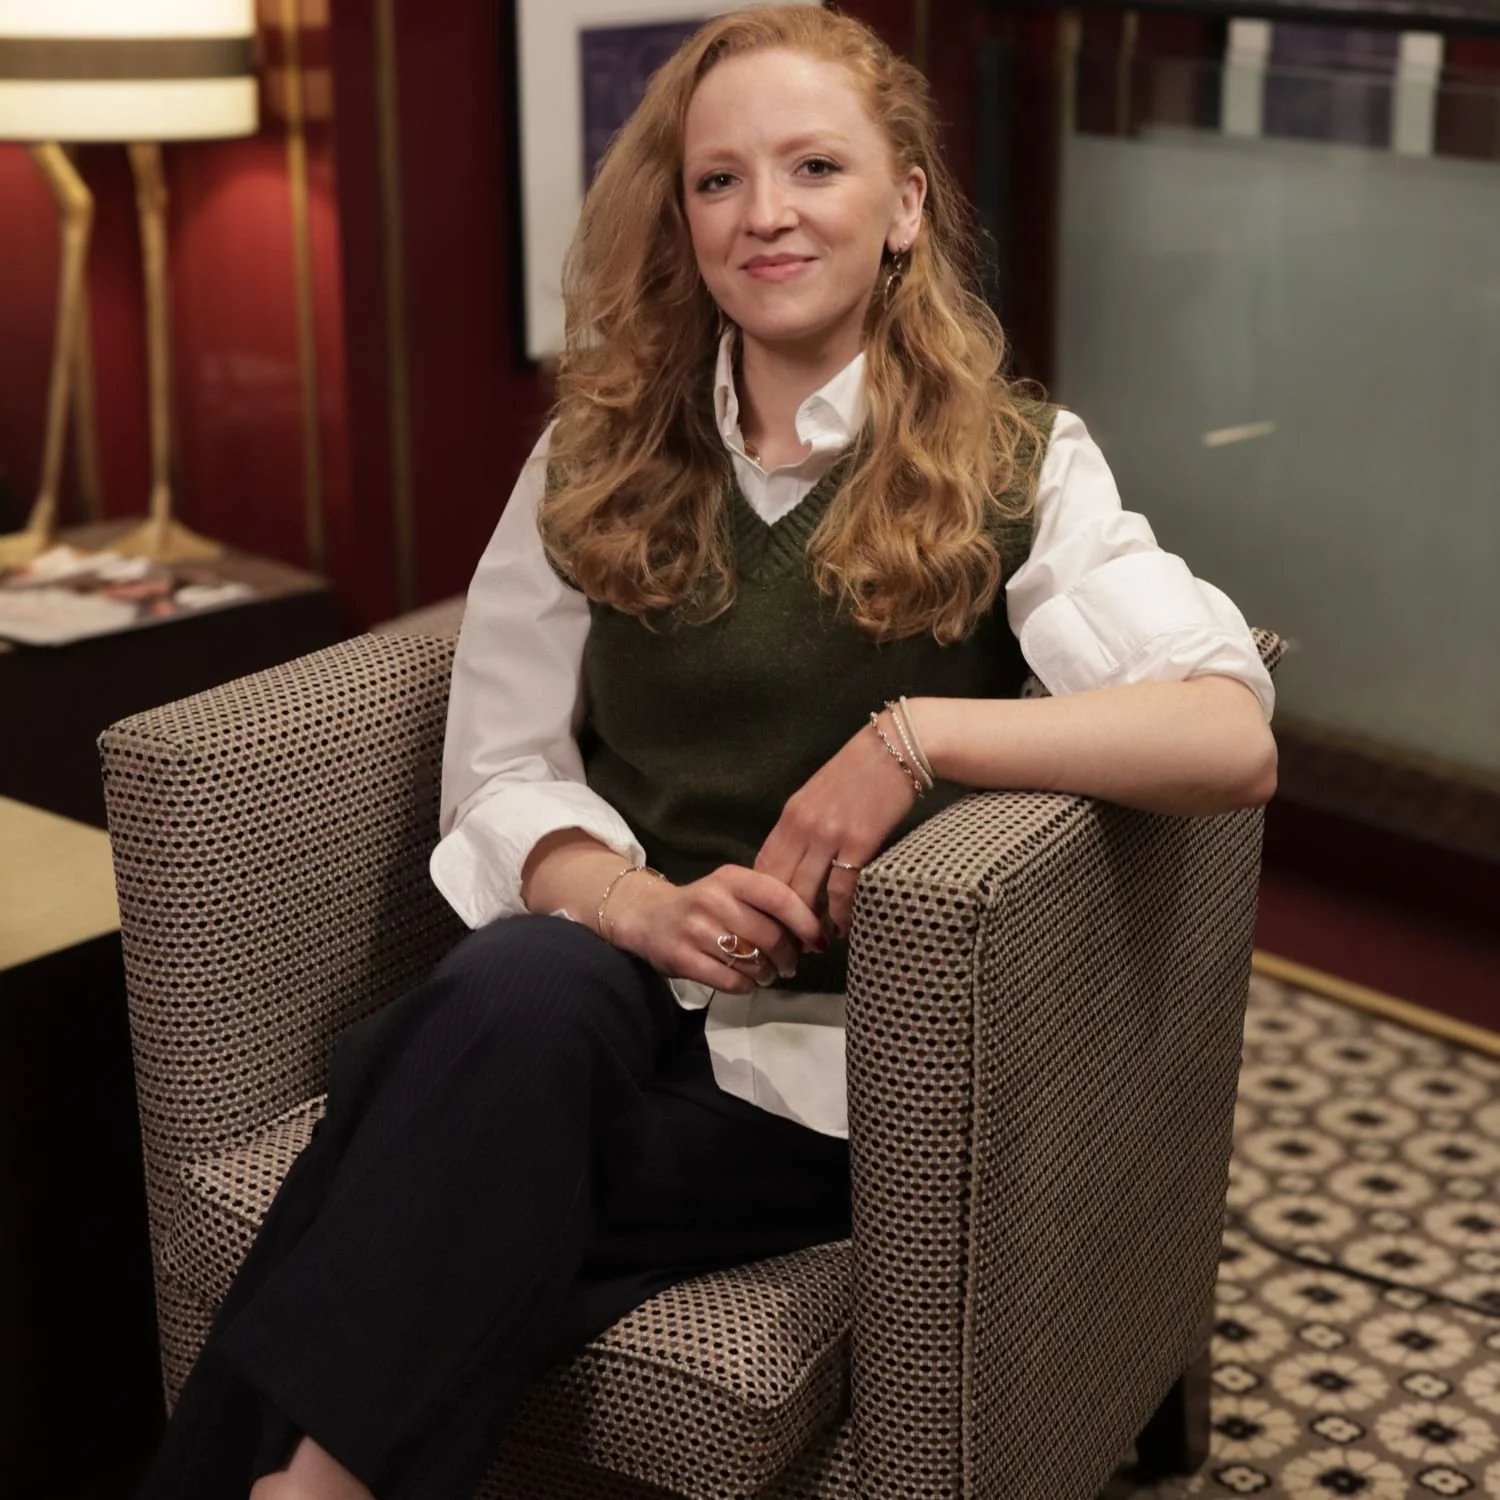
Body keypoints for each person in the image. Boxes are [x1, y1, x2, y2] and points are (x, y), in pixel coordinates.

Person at [136, 7, 1276, 1498]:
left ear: (905, 205)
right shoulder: (594, 453)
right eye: (719, 179)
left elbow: (1224, 731)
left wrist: (917, 738)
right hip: (605, 1007)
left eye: (815, 167)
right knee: (519, 987)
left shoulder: (1018, 462)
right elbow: (499, 772)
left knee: (428, 1127)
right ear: (681, 217)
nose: (765, 213)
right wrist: (636, 905)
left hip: (844, 1073)